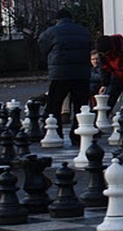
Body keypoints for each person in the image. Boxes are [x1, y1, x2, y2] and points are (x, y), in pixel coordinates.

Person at [37, 8, 92, 141]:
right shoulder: (84, 31)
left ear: (57, 19)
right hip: (81, 73)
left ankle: (56, 133)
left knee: (54, 104)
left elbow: (42, 45)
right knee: (80, 105)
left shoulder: (52, 31)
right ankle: (78, 135)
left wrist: (49, 61)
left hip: (60, 74)